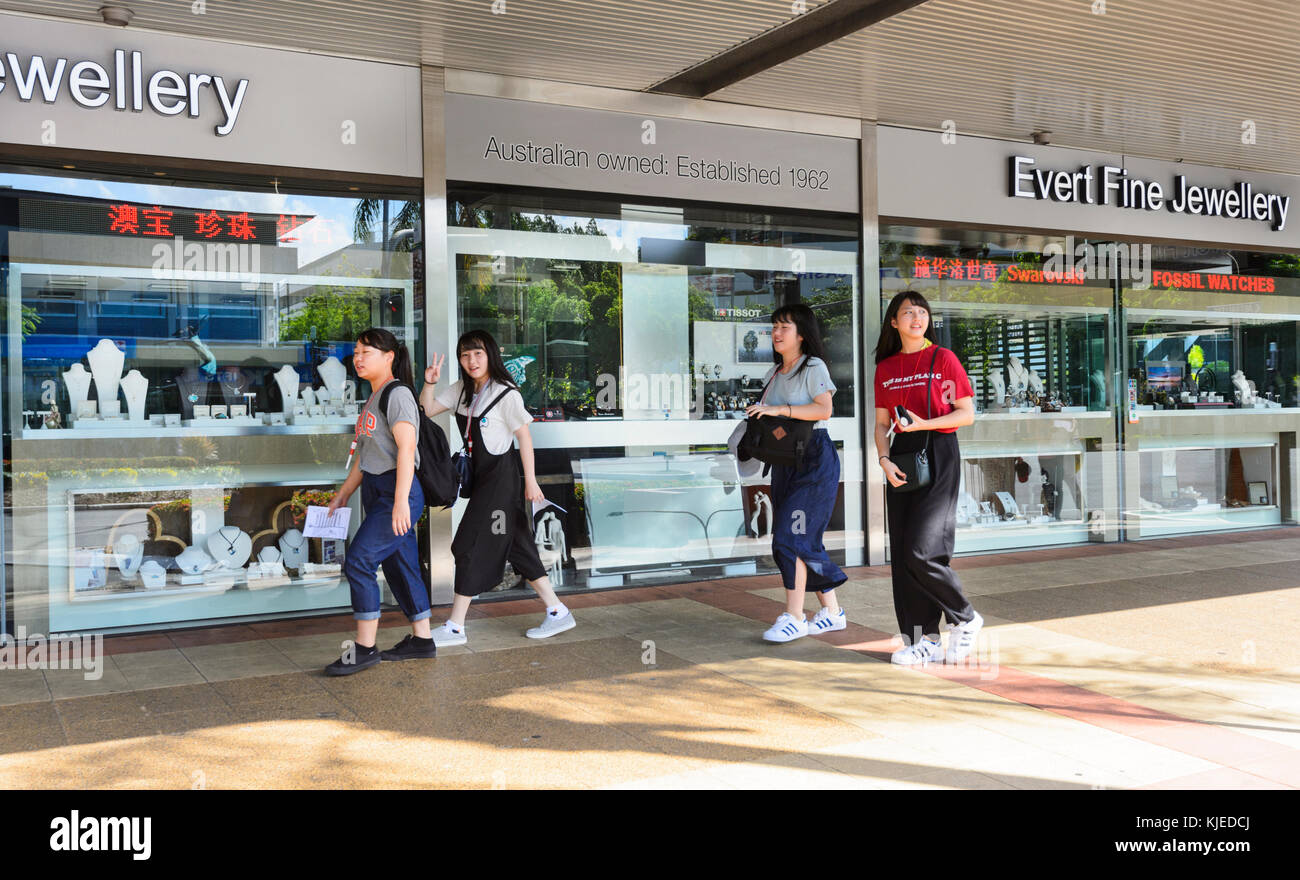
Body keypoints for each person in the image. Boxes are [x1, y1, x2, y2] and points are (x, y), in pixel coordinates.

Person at [418, 329, 575, 645]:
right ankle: (557, 611)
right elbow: (427, 409)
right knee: (517, 544)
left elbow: (525, 438)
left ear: (490, 354)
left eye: (477, 353)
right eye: (465, 354)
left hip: (501, 482)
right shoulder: (462, 389)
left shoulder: (506, 393)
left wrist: (530, 481)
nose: (471, 360)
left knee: (467, 545)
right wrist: (430, 382)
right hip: (482, 480)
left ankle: (456, 626)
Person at [873, 291, 983, 665]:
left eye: (922, 312)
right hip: (902, 458)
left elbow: (965, 413)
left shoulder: (943, 358)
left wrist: (926, 424)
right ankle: (925, 640)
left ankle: (965, 617)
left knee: (924, 549)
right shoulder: (885, 367)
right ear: (894, 322)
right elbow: (881, 424)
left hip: (938, 451)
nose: (916, 318)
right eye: (908, 313)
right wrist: (884, 460)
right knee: (904, 555)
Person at [324, 328, 436, 675]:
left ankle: (365, 648)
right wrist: (344, 493)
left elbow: (407, 449)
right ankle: (422, 640)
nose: (358, 359)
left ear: (389, 356)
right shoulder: (373, 396)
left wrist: (401, 501)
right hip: (379, 489)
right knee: (401, 564)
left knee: (359, 560)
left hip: (396, 491)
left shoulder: (397, 394)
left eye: (366, 352)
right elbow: (365, 455)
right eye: (356, 353)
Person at [746, 303, 848, 643]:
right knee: (803, 539)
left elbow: (825, 409)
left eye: (784, 327)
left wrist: (779, 408)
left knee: (790, 536)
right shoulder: (774, 373)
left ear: (802, 334)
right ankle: (833, 612)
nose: (776, 332)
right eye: (774, 326)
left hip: (815, 460)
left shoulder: (812, 366)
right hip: (787, 462)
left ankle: (794, 616)